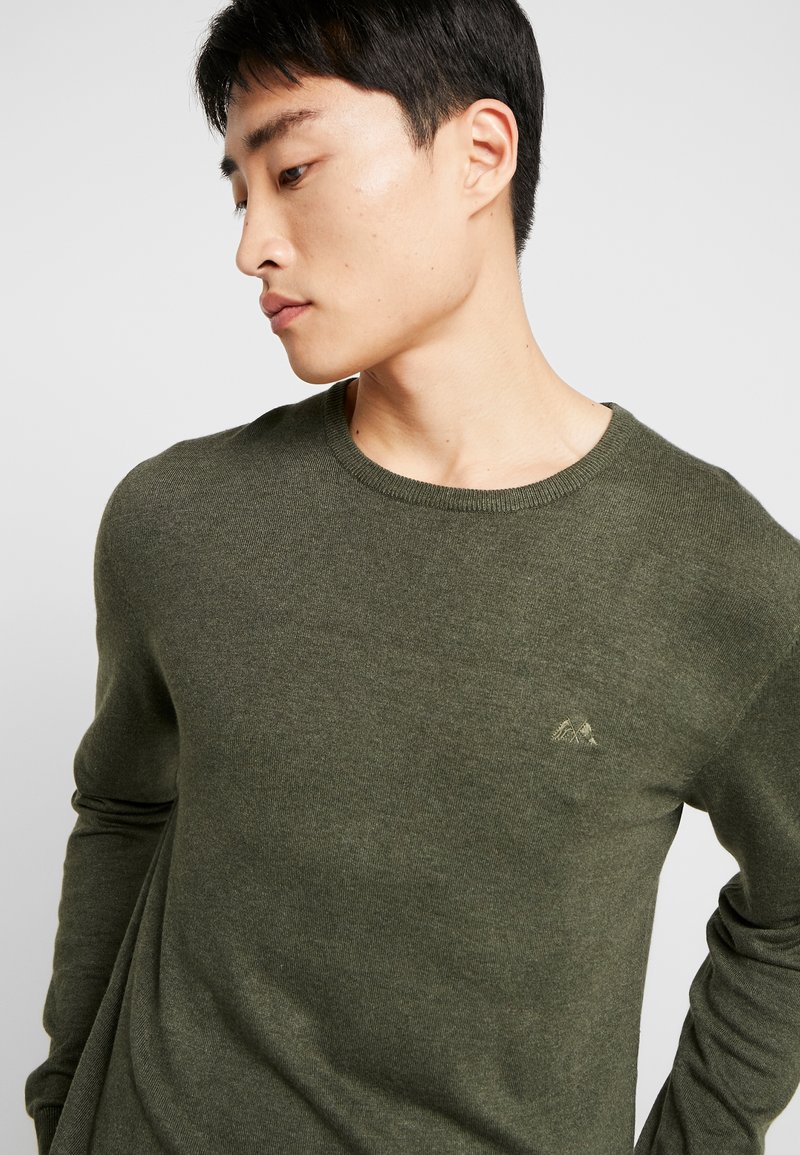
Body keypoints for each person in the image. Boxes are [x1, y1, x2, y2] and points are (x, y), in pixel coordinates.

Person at [25, 1, 800, 1152]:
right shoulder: (175, 520)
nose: (252, 245)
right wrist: (63, 1109)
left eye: (293, 170)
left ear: (480, 152)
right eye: (240, 193)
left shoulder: (714, 573)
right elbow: (124, 807)